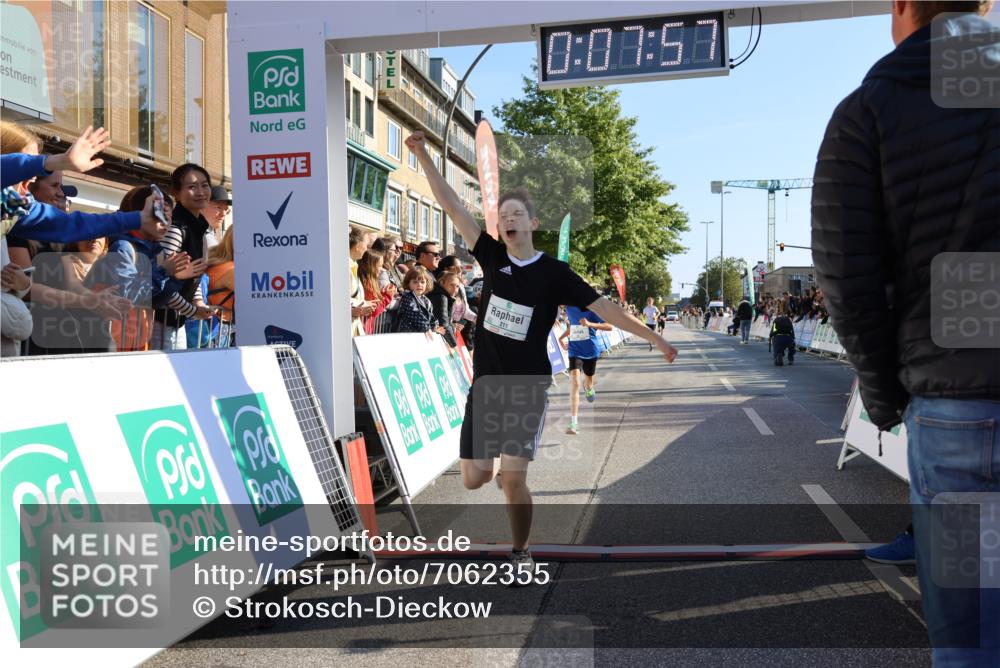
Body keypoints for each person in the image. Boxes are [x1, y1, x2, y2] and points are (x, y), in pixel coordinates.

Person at [812, 2, 999, 662]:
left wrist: (886, 396)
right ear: (986, 5)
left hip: (959, 407)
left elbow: (848, 275)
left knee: (974, 639)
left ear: (900, 7)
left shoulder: (870, 110)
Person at [406, 130, 677, 579]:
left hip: (527, 388)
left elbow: (606, 308)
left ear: (532, 223)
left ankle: (521, 552)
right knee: (474, 479)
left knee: (515, 480)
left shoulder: (555, 273)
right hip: (486, 387)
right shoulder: (491, 255)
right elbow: (453, 206)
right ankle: (497, 469)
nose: (508, 220)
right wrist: (422, 155)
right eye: (503, 216)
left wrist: (656, 338)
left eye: (517, 215)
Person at [2, 123, 162, 243]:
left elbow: (72, 225)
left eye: (36, 160)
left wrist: (139, 218)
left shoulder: (17, 209)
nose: (35, 175)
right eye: (30, 160)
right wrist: (53, 162)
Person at [157, 163, 215, 349]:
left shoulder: (200, 228)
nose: (200, 192)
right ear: (176, 192)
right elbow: (160, 283)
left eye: (204, 185)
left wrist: (198, 303)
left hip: (177, 321)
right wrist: (193, 311)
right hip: (159, 323)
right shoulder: (175, 229)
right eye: (192, 187)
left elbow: (194, 273)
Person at [559, 304, 613, 435]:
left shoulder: (593, 309)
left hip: (590, 351)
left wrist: (590, 324)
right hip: (574, 350)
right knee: (575, 383)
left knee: (588, 381)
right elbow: (573, 326)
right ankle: (574, 423)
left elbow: (610, 326)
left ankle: (589, 388)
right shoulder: (569, 307)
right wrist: (561, 337)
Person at [395, 266, 445, 335]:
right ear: (408, 284)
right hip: (408, 334)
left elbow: (431, 316)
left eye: (422, 282)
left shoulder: (426, 300)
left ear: (427, 283)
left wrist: (435, 326)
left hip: (422, 334)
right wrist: (427, 328)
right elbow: (415, 314)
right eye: (415, 282)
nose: (419, 285)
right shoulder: (407, 297)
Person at [358, 248, 395, 335]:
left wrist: (383, 294)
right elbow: (373, 310)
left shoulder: (368, 281)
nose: (382, 269)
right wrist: (387, 296)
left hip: (365, 328)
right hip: (363, 328)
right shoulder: (367, 283)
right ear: (370, 265)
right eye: (379, 266)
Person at [349, 228, 377, 336]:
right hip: (345, 330)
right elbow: (336, 299)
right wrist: (363, 304)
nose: (366, 248)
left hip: (353, 327)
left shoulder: (353, 265)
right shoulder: (344, 267)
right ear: (357, 245)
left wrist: (365, 303)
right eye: (366, 244)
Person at [427, 270, 462, 347]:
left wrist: (452, 326)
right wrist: (454, 345)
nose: (455, 289)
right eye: (451, 285)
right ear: (442, 283)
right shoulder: (441, 297)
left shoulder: (442, 295)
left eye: (457, 286)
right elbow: (443, 324)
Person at [203, 185, 231, 250]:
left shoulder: (211, 233)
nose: (223, 214)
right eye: (218, 207)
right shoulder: (194, 234)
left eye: (226, 209)